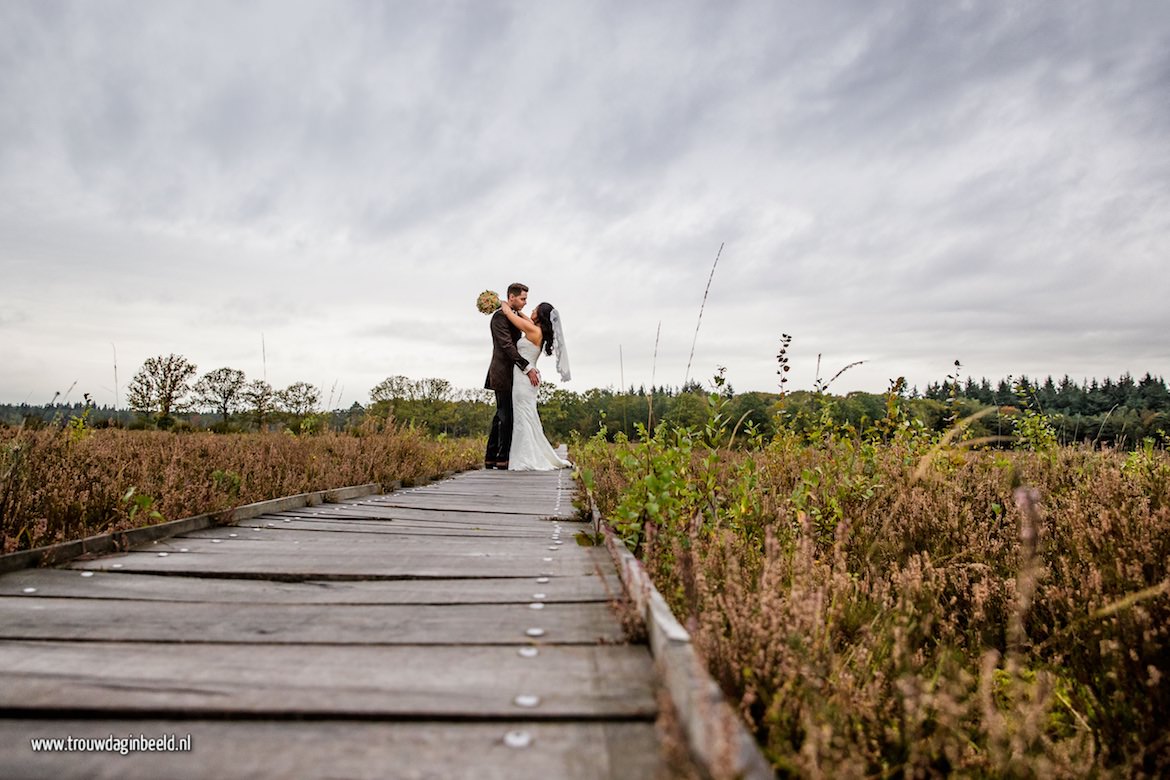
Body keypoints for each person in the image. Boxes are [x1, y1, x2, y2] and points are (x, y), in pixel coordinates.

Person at [498, 300, 572, 470]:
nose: (530, 310)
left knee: (522, 418)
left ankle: (525, 459)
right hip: (526, 378)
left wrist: (502, 303)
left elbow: (509, 315)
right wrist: (518, 310)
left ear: (540, 315)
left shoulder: (532, 330)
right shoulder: (537, 329)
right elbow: (523, 318)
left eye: (534, 309)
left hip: (524, 379)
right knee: (527, 417)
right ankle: (527, 455)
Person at [484, 283, 538, 470]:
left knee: (501, 416)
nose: (525, 302)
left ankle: (493, 458)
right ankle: (501, 459)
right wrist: (527, 367)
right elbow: (507, 346)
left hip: (513, 374)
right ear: (511, 297)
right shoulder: (499, 317)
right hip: (502, 373)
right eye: (522, 298)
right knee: (505, 416)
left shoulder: (512, 315)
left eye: (526, 299)